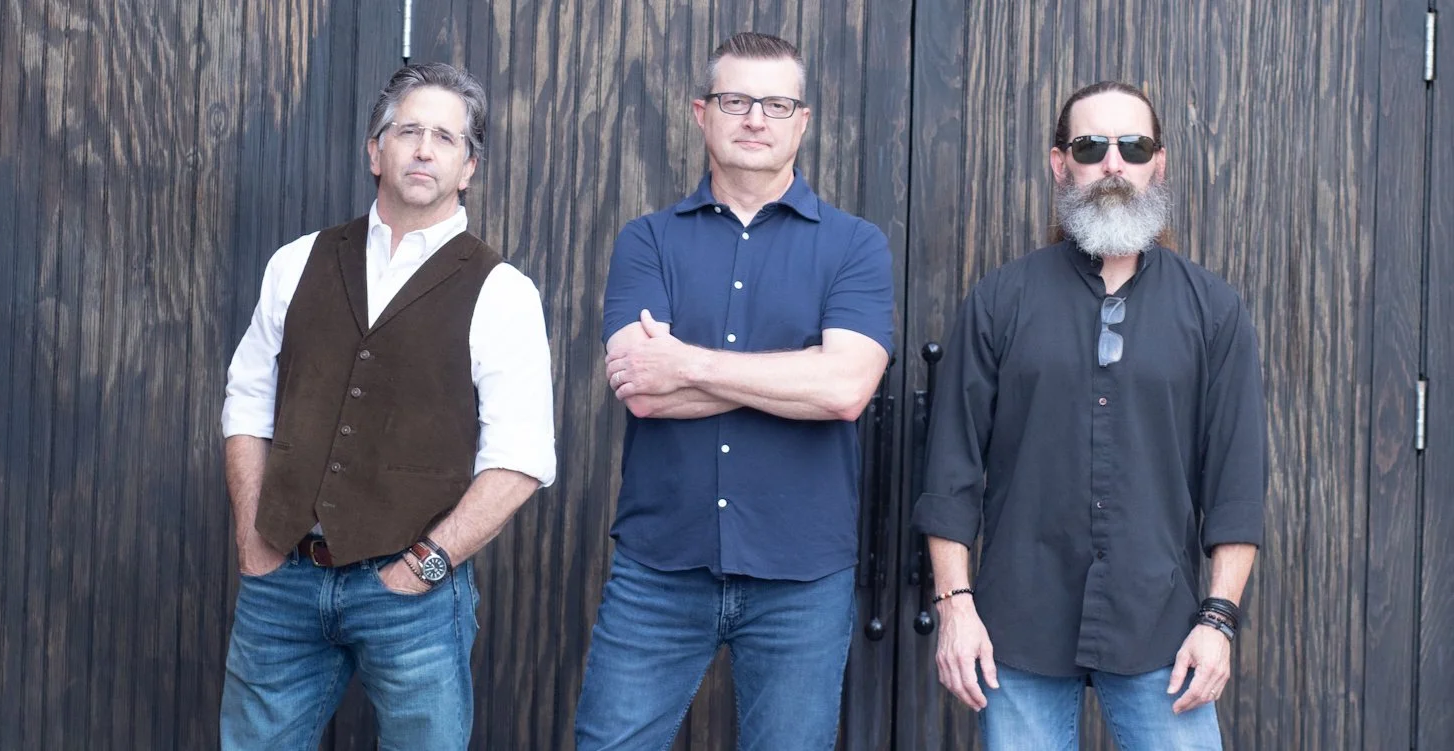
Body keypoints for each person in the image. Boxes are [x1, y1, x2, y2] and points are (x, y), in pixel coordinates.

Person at [914, 81, 1267, 750]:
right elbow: (951, 471)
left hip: (1163, 628)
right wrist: (955, 607)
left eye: (1132, 147)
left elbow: (1236, 485)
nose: (1113, 164)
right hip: (1017, 626)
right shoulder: (999, 300)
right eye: (1090, 146)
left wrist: (1218, 618)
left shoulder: (1214, 310)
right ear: (1060, 163)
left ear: (1157, 164)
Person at [218, 62, 556, 750]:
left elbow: (520, 458)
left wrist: (426, 565)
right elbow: (248, 401)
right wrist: (253, 532)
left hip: (414, 595)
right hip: (283, 577)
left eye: (446, 137)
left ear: (468, 167)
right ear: (376, 151)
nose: (425, 148)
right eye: (408, 131)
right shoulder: (297, 261)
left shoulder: (502, 290)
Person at [574, 31, 895, 750]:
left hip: (801, 576)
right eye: (736, 100)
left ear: (803, 121)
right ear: (701, 113)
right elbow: (642, 388)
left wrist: (688, 361)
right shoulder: (647, 240)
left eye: (777, 103)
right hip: (661, 565)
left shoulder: (855, 245)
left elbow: (845, 388)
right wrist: (795, 373)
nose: (756, 118)